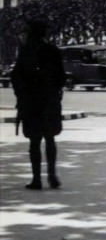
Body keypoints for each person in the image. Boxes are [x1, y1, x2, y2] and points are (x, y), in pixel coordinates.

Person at [10, 19, 65, 190]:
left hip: (31, 102)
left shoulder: (26, 51)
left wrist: (21, 93)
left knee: (34, 141)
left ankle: (36, 179)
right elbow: (61, 77)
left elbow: (16, 76)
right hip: (49, 101)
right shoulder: (52, 50)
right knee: (50, 139)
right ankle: (52, 176)